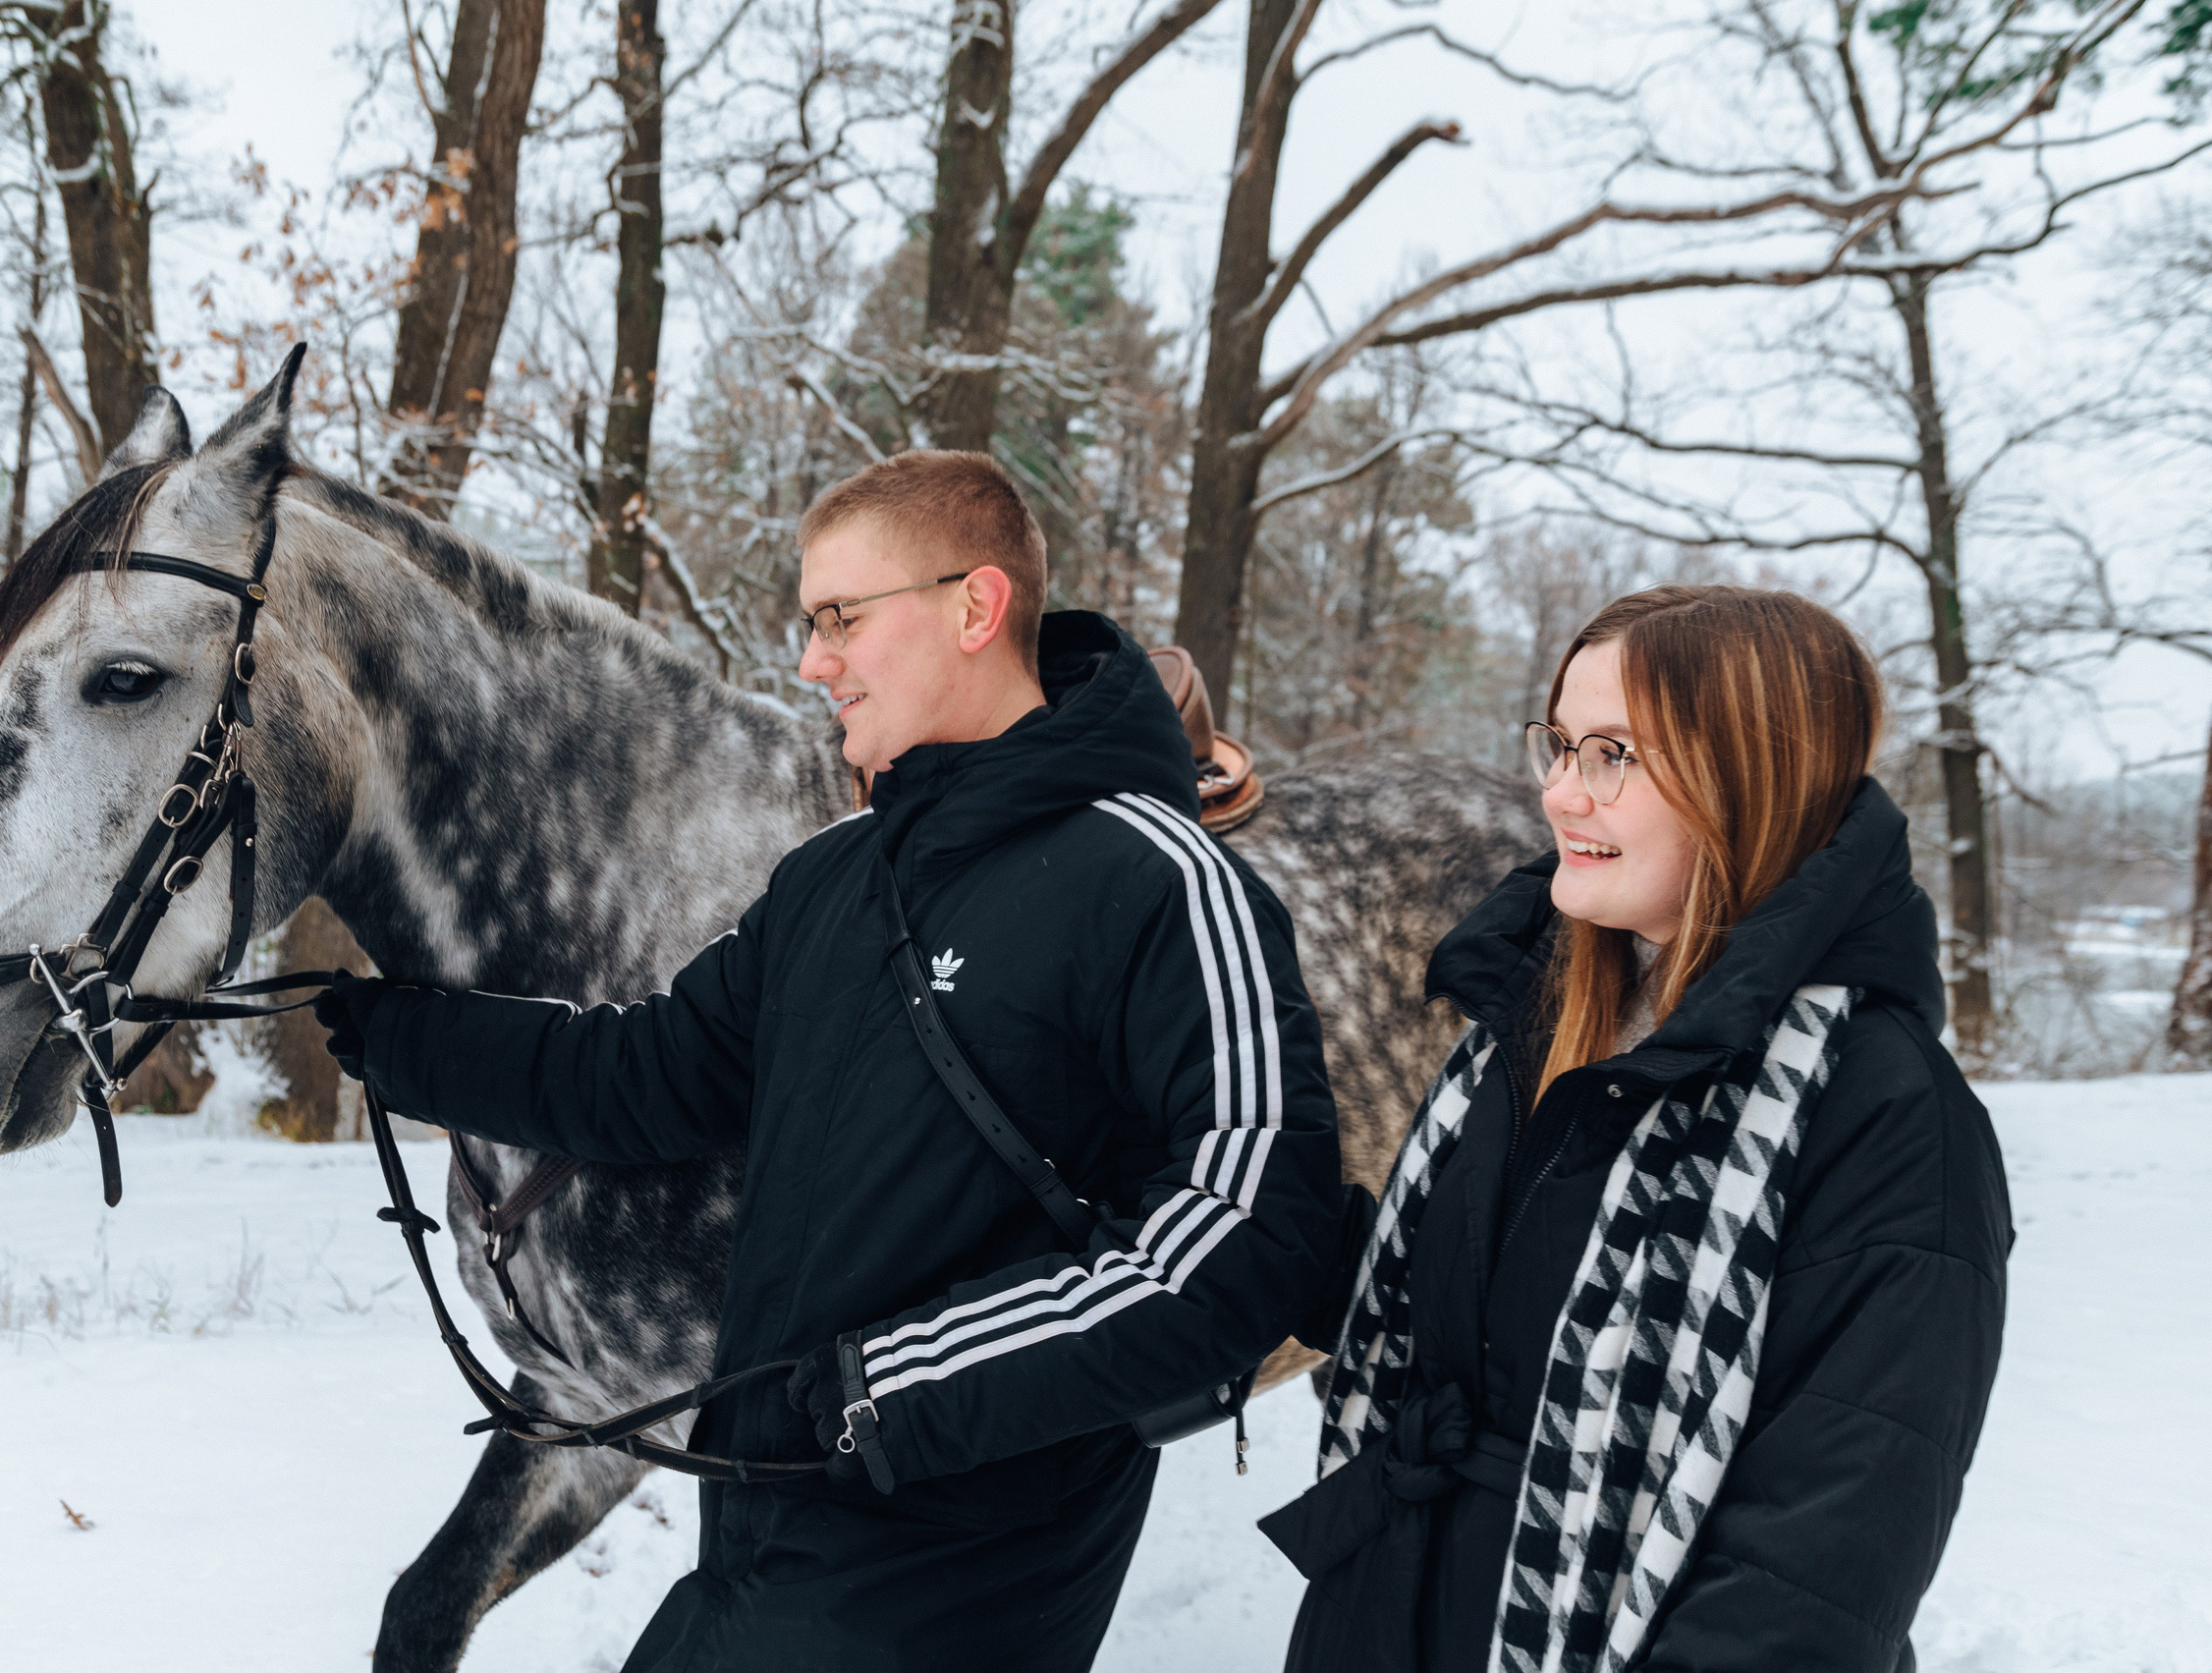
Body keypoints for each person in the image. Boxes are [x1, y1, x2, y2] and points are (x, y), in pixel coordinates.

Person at [318, 450, 1342, 1672]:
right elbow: (648, 1074)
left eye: (841, 618)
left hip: (966, 1568)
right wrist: (404, 1039)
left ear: (975, 607)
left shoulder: (1159, 880)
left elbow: (1246, 1231)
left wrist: (900, 1378)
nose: (812, 661)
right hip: (766, 1529)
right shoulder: (833, 881)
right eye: (809, 624)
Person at [1263, 585, 2011, 1673]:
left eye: (1612, 753)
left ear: (1751, 773)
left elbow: (1813, 1573)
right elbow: (1466, 1326)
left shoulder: (1889, 1116)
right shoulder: (1525, 1030)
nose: (1561, 794)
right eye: (1559, 745)